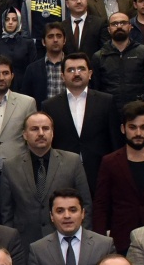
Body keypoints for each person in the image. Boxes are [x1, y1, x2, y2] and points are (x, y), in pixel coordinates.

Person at [0, 113, 94, 245]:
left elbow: (86, 204)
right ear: (24, 134)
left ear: (52, 133)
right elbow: (6, 211)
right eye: (34, 129)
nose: (41, 133)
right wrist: (10, 244)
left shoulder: (72, 161)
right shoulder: (10, 167)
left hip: (66, 240)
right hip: (24, 242)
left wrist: (83, 241)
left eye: (45, 128)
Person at [93, 102, 144, 252]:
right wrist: (100, 242)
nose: (138, 133)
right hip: (122, 239)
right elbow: (101, 205)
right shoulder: (109, 162)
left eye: (143, 127)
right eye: (132, 127)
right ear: (123, 129)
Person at [41, 51, 120, 190]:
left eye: (81, 69)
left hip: (100, 172)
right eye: (71, 70)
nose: (76, 73)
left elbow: (115, 140)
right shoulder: (50, 106)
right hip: (62, 173)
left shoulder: (106, 101)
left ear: (90, 74)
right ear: (62, 76)